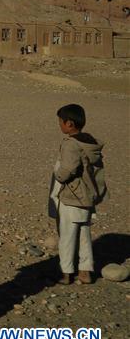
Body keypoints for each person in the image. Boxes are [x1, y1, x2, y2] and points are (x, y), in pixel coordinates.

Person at [49, 104, 106, 285]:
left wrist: (59, 175)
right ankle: (85, 271)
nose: (59, 125)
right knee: (84, 236)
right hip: (87, 198)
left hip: (72, 197)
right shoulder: (90, 143)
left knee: (67, 237)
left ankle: (66, 273)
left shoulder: (72, 144)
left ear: (69, 124)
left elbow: (69, 168)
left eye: (60, 122)